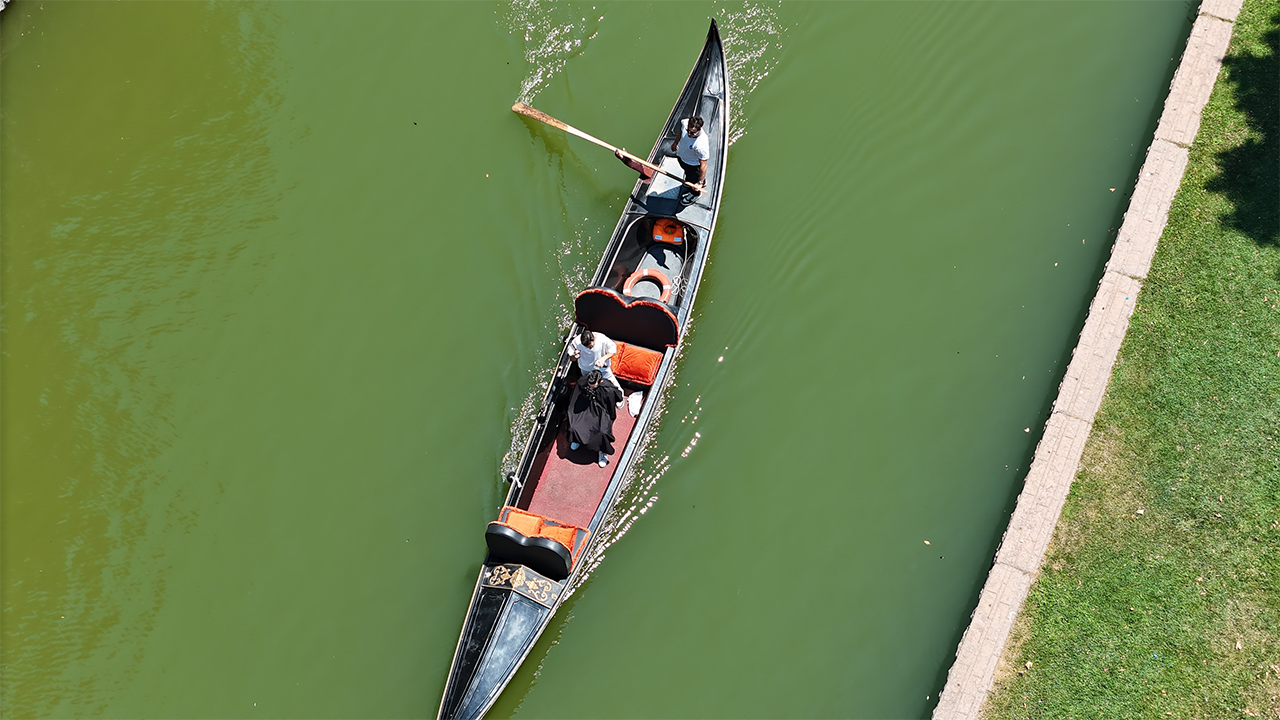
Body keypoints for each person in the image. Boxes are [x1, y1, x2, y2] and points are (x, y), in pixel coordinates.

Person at [566, 370, 623, 467]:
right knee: (573, 426)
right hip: (585, 409)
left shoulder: (608, 388)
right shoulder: (582, 383)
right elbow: (575, 399)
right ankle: (576, 440)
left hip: (601, 412)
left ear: (600, 381)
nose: (590, 386)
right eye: (589, 384)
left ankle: (602, 451)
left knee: (602, 432)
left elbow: (618, 397)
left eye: (593, 385)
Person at [670, 116, 709, 201]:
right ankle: (698, 181)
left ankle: (695, 194)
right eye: (688, 131)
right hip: (682, 156)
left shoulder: (700, 145)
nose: (689, 134)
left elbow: (704, 165)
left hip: (693, 165)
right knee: (688, 175)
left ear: (699, 130)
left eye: (692, 133)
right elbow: (681, 131)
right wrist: (675, 142)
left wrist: (699, 183)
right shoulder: (685, 123)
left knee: (693, 178)